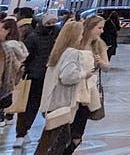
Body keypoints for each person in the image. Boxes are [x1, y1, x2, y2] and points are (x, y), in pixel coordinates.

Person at [66, 14, 109, 153]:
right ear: (90, 27)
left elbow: (106, 67)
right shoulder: (76, 42)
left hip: (87, 91)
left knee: (77, 133)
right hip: (71, 89)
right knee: (65, 128)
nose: (102, 31)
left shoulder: (99, 44)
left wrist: (100, 62)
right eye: (99, 27)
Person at [17, 10, 60, 142]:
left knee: (40, 105)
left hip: (50, 76)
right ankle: (22, 132)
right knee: (30, 104)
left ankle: (26, 131)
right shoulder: (34, 37)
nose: (52, 25)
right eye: (49, 22)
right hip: (35, 76)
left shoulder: (56, 35)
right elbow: (25, 56)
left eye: (54, 22)